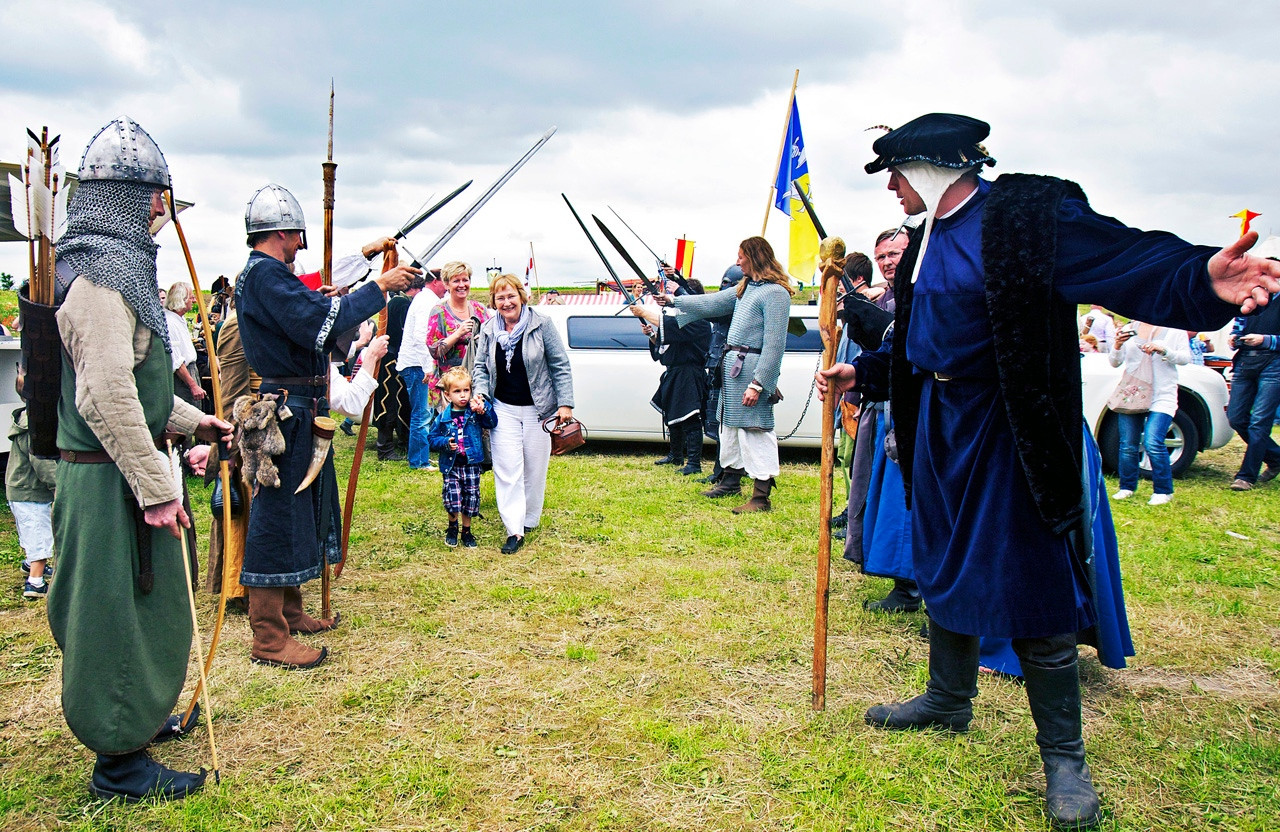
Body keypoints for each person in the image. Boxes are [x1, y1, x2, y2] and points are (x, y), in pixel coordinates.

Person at [817, 112, 1279, 828]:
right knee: (942, 557)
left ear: (932, 166)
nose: (894, 191)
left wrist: (1199, 275)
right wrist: (866, 370)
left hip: (1010, 429)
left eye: (897, 176)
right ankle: (949, 696)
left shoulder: (1024, 216)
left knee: (1031, 577)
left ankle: (1064, 759)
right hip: (940, 424)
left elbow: (1121, 255)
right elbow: (916, 334)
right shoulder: (924, 241)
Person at [47, 116, 232, 802]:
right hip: (107, 487)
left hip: (121, 473)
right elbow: (102, 394)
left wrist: (194, 418)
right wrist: (158, 489)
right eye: (154, 197)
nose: (161, 211)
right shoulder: (96, 280)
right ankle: (119, 764)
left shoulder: (113, 271)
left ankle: (139, 722)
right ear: (126, 197)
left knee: (145, 609)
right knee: (115, 613)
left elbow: (135, 384)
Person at [234, 183, 414, 669]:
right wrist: (379, 287)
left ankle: (291, 612)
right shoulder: (264, 276)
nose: (300, 246)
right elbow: (313, 316)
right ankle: (268, 637)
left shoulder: (272, 276)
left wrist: (336, 298)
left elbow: (315, 309)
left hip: (300, 403)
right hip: (284, 410)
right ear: (285, 232)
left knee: (301, 510)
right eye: (297, 238)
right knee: (276, 517)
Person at [660, 237, 793, 513]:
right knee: (729, 428)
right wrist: (673, 299)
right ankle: (731, 480)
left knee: (755, 429)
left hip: (752, 367)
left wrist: (759, 383)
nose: (737, 261)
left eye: (741, 255)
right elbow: (712, 303)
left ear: (755, 257)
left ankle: (761, 496)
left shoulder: (776, 294)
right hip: (733, 368)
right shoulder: (745, 289)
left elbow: (775, 344)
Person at [471, 274, 574, 554]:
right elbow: (480, 366)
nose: (506, 302)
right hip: (502, 408)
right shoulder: (490, 328)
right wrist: (480, 392)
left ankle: (529, 518)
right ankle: (514, 529)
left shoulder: (542, 324)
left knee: (534, 468)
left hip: (539, 410)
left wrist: (565, 403)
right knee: (507, 468)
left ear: (521, 296)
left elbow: (560, 365)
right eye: (499, 298)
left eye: (510, 296)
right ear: (493, 302)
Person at [632, 275, 712, 475]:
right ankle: (676, 455)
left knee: (691, 418)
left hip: (690, 373)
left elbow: (673, 326)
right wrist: (652, 336)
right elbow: (667, 347)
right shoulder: (686, 318)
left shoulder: (698, 320)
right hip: (675, 371)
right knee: (673, 415)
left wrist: (644, 311)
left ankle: (694, 463)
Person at [1109, 322, 1190, 505]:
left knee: (1153, 441)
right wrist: (1117, 344)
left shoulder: (1175, 329)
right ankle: (1127, 487)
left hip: (1162, 394)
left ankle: (1163, 490)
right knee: (1128, 444)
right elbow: (1115, 362)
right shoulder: (1130, 328)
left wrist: (1164, 351)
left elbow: (1185, 358)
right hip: (1134, 393)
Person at [1225, 236, 1280, 491]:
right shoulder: (1251, 295)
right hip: (1245, 360)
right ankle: (1276, 457)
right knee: (1236, 417)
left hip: (1274, 364)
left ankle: (1246, 476)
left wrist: (1265, 339)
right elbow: (1238, 322)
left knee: (1260, 421)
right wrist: (1235, 338)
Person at [428, 367, 498, 548]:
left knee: (470, 498)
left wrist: (484, 410)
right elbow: (431, 439)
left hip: (471, 464)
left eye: (466, 390)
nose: (463, 395)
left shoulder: (475, 411)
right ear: (447, 395)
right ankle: (452, 527)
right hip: (451, 466)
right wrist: (445, 443)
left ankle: (466, 531)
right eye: (457, 391)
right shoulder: (442, 418)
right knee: (453, 499)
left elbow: (492, 422)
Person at [8, 372, 56, 600]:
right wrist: (59, 486)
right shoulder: (34, 427)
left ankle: (30, 564)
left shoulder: (27, 417)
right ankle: (35, 583)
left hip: (21, 490)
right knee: (40, 534)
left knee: (31, 530)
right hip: (29, 492)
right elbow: (41, 461)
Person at [697, 265, 743, 485]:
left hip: (729, 368)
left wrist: (679, 291)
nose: (723, 288)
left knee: (726, 423)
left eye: (727, 284)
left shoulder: (737, 303)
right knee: (718, 421)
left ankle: (726, 471)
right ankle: (721, 470)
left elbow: (707, 308)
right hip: (718, 366)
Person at [426, 261, 491, 410]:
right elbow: (435, 351)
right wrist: (458, 334)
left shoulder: (479, 309)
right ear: (447, 284)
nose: (462, 285)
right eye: (456, 281)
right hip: (450, 388)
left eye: (465, 280)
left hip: (476, 382)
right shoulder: (439, 311)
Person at [397, 268, 443, 470]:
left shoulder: (426, 298)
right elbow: (420, 336)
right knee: (421, 414)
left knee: (424, 413)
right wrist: (428, 367)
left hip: (416, 364)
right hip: (417, 365)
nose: (449, 286)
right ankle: (418, 461)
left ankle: (421, 457)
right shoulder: (427, 301)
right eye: (446, 281)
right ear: (435, 282)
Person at [373, 279, 415, 461]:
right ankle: (385, 447)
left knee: (397, 401)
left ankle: (401, 441)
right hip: (392, 359)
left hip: (393, 357)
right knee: (389, 400)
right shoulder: (401, 303)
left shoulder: (397, 302)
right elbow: (404, 333)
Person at [164, 282, 205, 408]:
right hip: (183, 378)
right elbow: (176, 361)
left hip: (190, 372)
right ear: (181, 299)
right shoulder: (170, 322)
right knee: (190, 413)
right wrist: (192, 385)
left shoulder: (178, 319)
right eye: (191, 296)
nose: (194, 300)